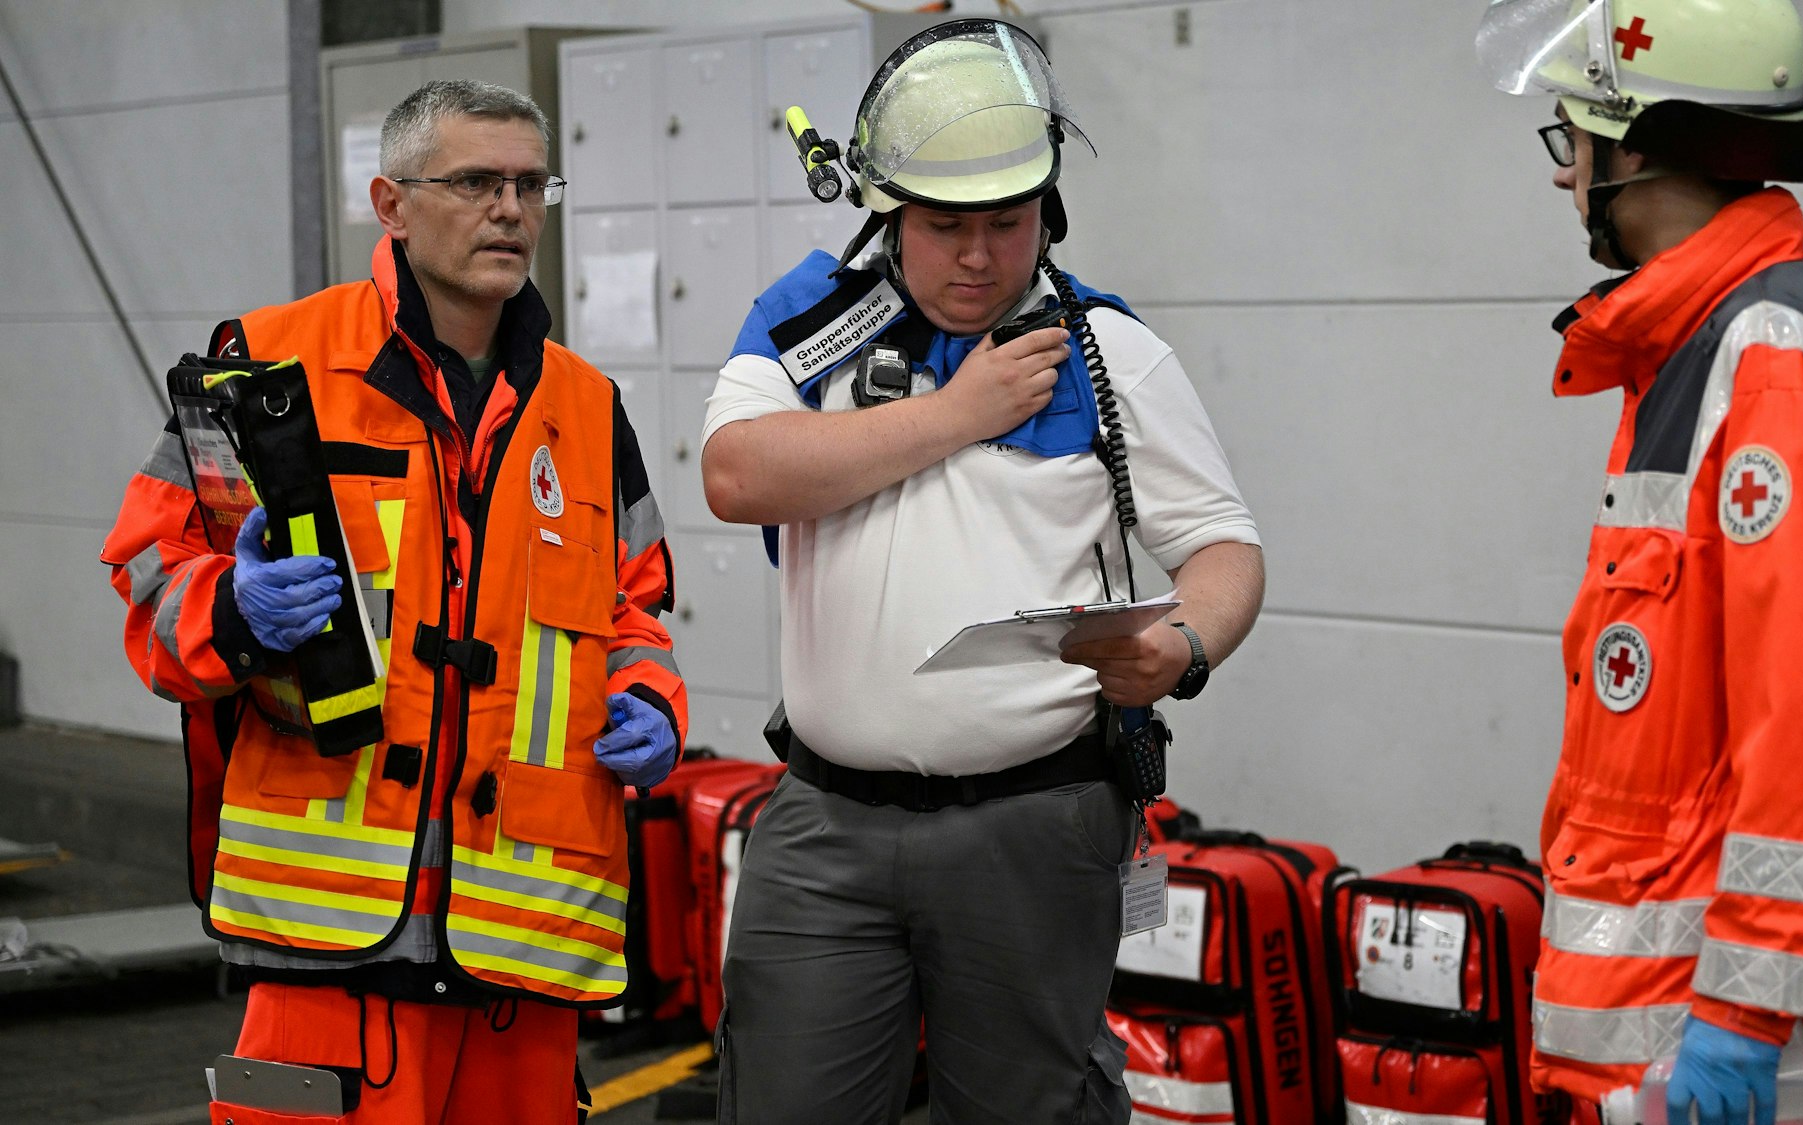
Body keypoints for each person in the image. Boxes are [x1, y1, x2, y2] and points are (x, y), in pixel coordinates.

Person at [701, 19, 1264, 1123]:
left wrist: (1183, 642)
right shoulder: (807, 322)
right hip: (824, 822)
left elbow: (1223, 547)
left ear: (1044, 216)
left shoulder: (1109, 352)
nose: (975, 255)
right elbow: (736, 475)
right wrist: (957, 415)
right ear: (891, 216)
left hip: (1034, 821)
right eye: (944, 225)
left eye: (1004, 225)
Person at [101, 80, 687, 1124]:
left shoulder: (588, 410)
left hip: (526, 958)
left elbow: (632, 613)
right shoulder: (264, 367)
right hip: (315, 957)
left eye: (526, 184)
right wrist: (233, 609)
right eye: (474, 182)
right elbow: (149, 584)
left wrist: (650, 702)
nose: (509, 209)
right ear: (391, 203)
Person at [1474, 3, 1803, 1123]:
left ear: (1641, 149)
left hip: (1721, 1057)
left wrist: (1745, 1018)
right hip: (1654, 1046)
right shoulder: (1696, 345)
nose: (1563, 178)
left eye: (1573, 141)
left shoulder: (1764, 363)